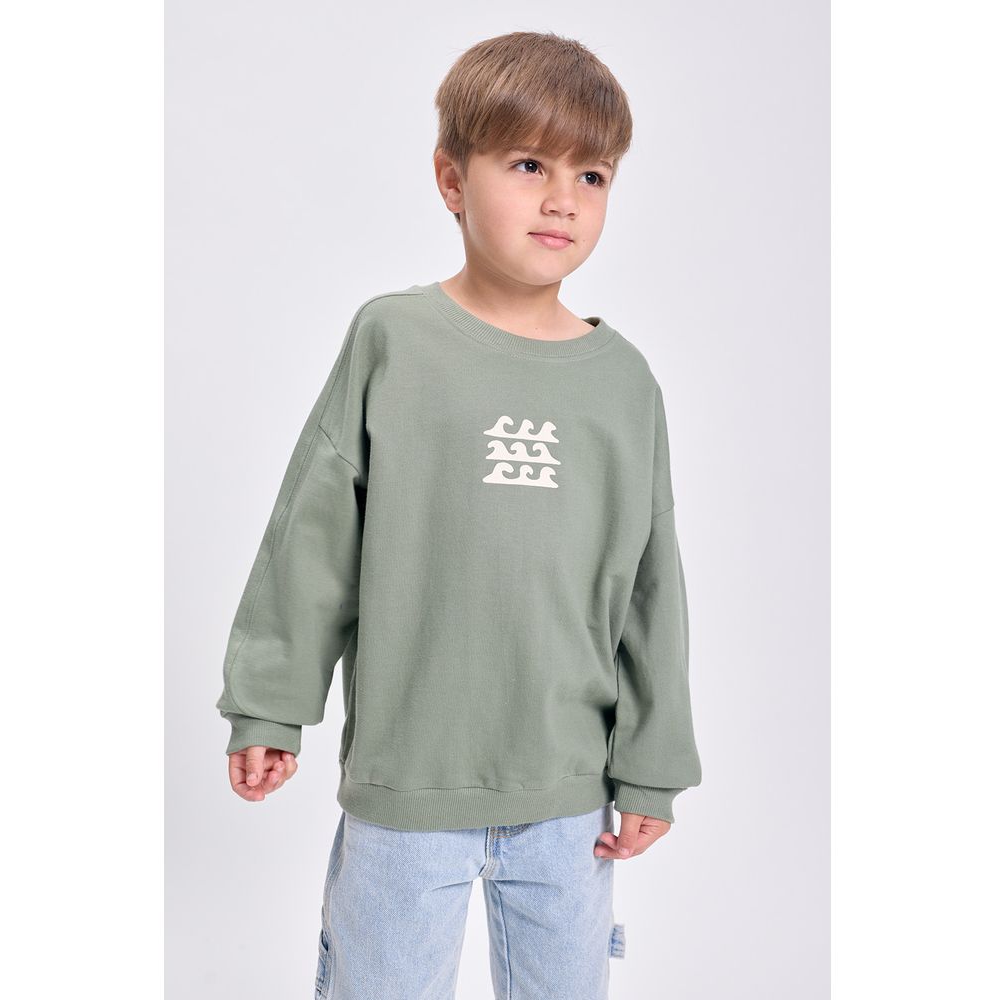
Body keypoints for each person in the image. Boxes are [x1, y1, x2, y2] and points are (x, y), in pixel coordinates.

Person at [215, 29, 702, 1000]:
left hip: (568, 797)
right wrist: (269, 701)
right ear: (451, 178)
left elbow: (652, 586)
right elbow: (314, 535)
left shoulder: (623, 383)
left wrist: (651, 764)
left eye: (592, 175)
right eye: (528, 165)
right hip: (407, 784)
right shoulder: (394, 339)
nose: (563, 199)